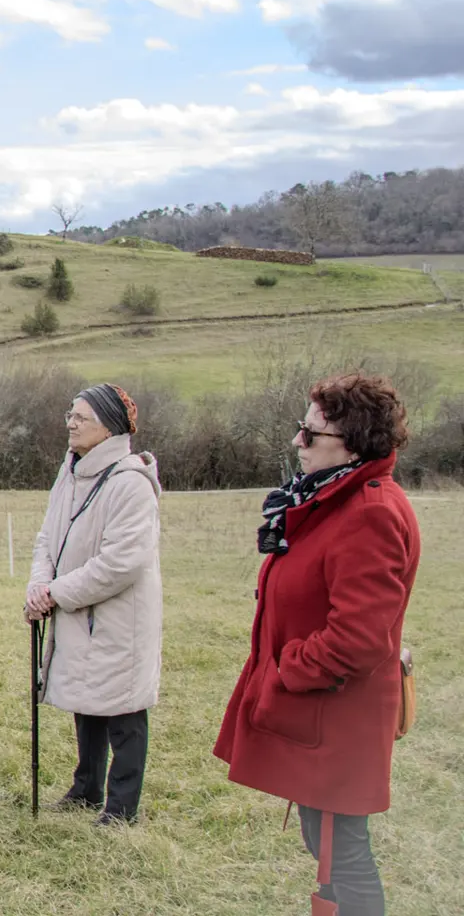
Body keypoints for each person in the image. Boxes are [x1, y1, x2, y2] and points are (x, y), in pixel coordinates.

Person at [214, 373, 420, 916]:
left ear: (352, 444)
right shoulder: (335, 499)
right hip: (323, 715)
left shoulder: (370, 512)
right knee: (328, 846)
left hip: (337, 719)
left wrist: (288, 669)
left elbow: (358, 639)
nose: (296, 442)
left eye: (310, 433)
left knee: (341, 855)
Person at [24, 383, 163, 827]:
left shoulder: (130, 482)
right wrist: (39, 583)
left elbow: (122, 562)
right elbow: (48, 536)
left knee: (123, 708)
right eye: (71, 414)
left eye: (81, 417)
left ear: (109, 428)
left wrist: (56, 592)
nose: (71, 423)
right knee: (87, 700)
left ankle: (121, 809)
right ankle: (86, 788)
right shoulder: (70, 471)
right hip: (77, 610)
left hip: (120, 618)